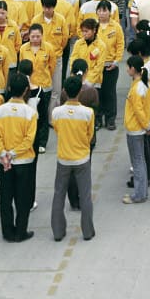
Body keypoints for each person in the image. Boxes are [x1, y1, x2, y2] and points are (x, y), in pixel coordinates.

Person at [49, 75, 97, 242]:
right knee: (85, 196)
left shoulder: (56, 112)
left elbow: (56, 129)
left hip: (63, 158)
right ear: (80, 92)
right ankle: (87, 231)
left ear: (64, 91)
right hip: (82, 159)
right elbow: (90, 136)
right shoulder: (88, 113)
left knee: (59, 194)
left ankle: (57, 231)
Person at [0, 73, 37, 242]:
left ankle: (7, 231)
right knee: (22, 198)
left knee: (5, 197)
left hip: (5, 162)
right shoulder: (30, 112)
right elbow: (28, 139)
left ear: (9, 88)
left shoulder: (0, 110)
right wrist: (15, 153)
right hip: (23, 161)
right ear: (26, 90)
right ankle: (21, 232)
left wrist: (4, 153)